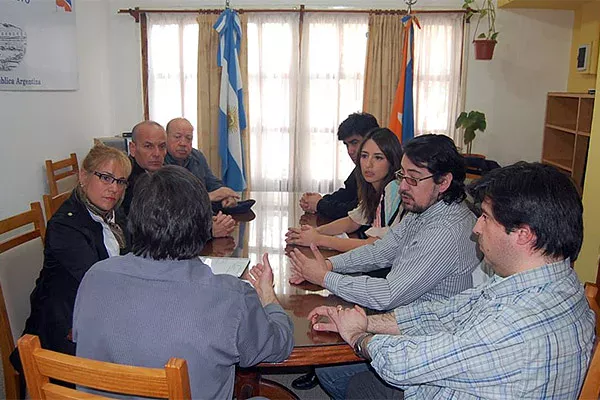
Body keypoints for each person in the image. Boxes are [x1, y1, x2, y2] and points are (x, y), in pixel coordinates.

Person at [308, 162, 595, 399]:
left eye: (485, 217)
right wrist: (368, 322)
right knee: (336, 372)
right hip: (461, 373)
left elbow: (402, 364)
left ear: (523, 233)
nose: (476, 228)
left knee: (355, 382)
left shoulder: (516, 323)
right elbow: (451, 311)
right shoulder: (552, 283)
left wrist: (359, 337)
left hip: (438, 379)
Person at [73, 166, 294, 399]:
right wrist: (269, 297)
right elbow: (277, 347)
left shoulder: (95, 276)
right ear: (202, 225)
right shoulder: (231, 296)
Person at [17, 144, 131, 358]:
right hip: (65, 325)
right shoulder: (64, 227)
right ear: (83, 176)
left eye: (121, 181)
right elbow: (99, 281)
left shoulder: (114, 214)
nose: (114, 188)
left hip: (104, 310)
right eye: (105, 177)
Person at [287, 128, 403, 253]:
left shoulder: (394, 188)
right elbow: (352, 222)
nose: (368, 164)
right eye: (364, 156)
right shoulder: (372, 187)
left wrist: (318, 239)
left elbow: (373, 246)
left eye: (378, 158)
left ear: (392, 161)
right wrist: (315, 231)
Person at [124, 120, 235, 238]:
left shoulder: (162, 174)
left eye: (162, 146)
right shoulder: (126, 178)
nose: (157, 153)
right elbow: (152, 233)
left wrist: (207, 222)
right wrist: (207, 232)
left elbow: (176, 215)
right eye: (148, 146)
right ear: (133, 148)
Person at [299, 112, 379, 219]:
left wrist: (319, 204)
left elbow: (354, 211)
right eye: (347, 145)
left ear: (371, 138)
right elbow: (347, 194)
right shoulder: (360, 167)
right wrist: (319, 200)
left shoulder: (379, 171)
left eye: (354, 142)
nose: (350, 151)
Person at [165, 117, 240, 209]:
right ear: (166, 137)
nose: (183, 143)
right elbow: (172, 201)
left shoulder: (197, 156)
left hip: (202, 214)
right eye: (177, 137)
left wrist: (226, 196)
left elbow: (212, 183)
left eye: (189, 138)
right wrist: (210, 196)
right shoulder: (159, 161)